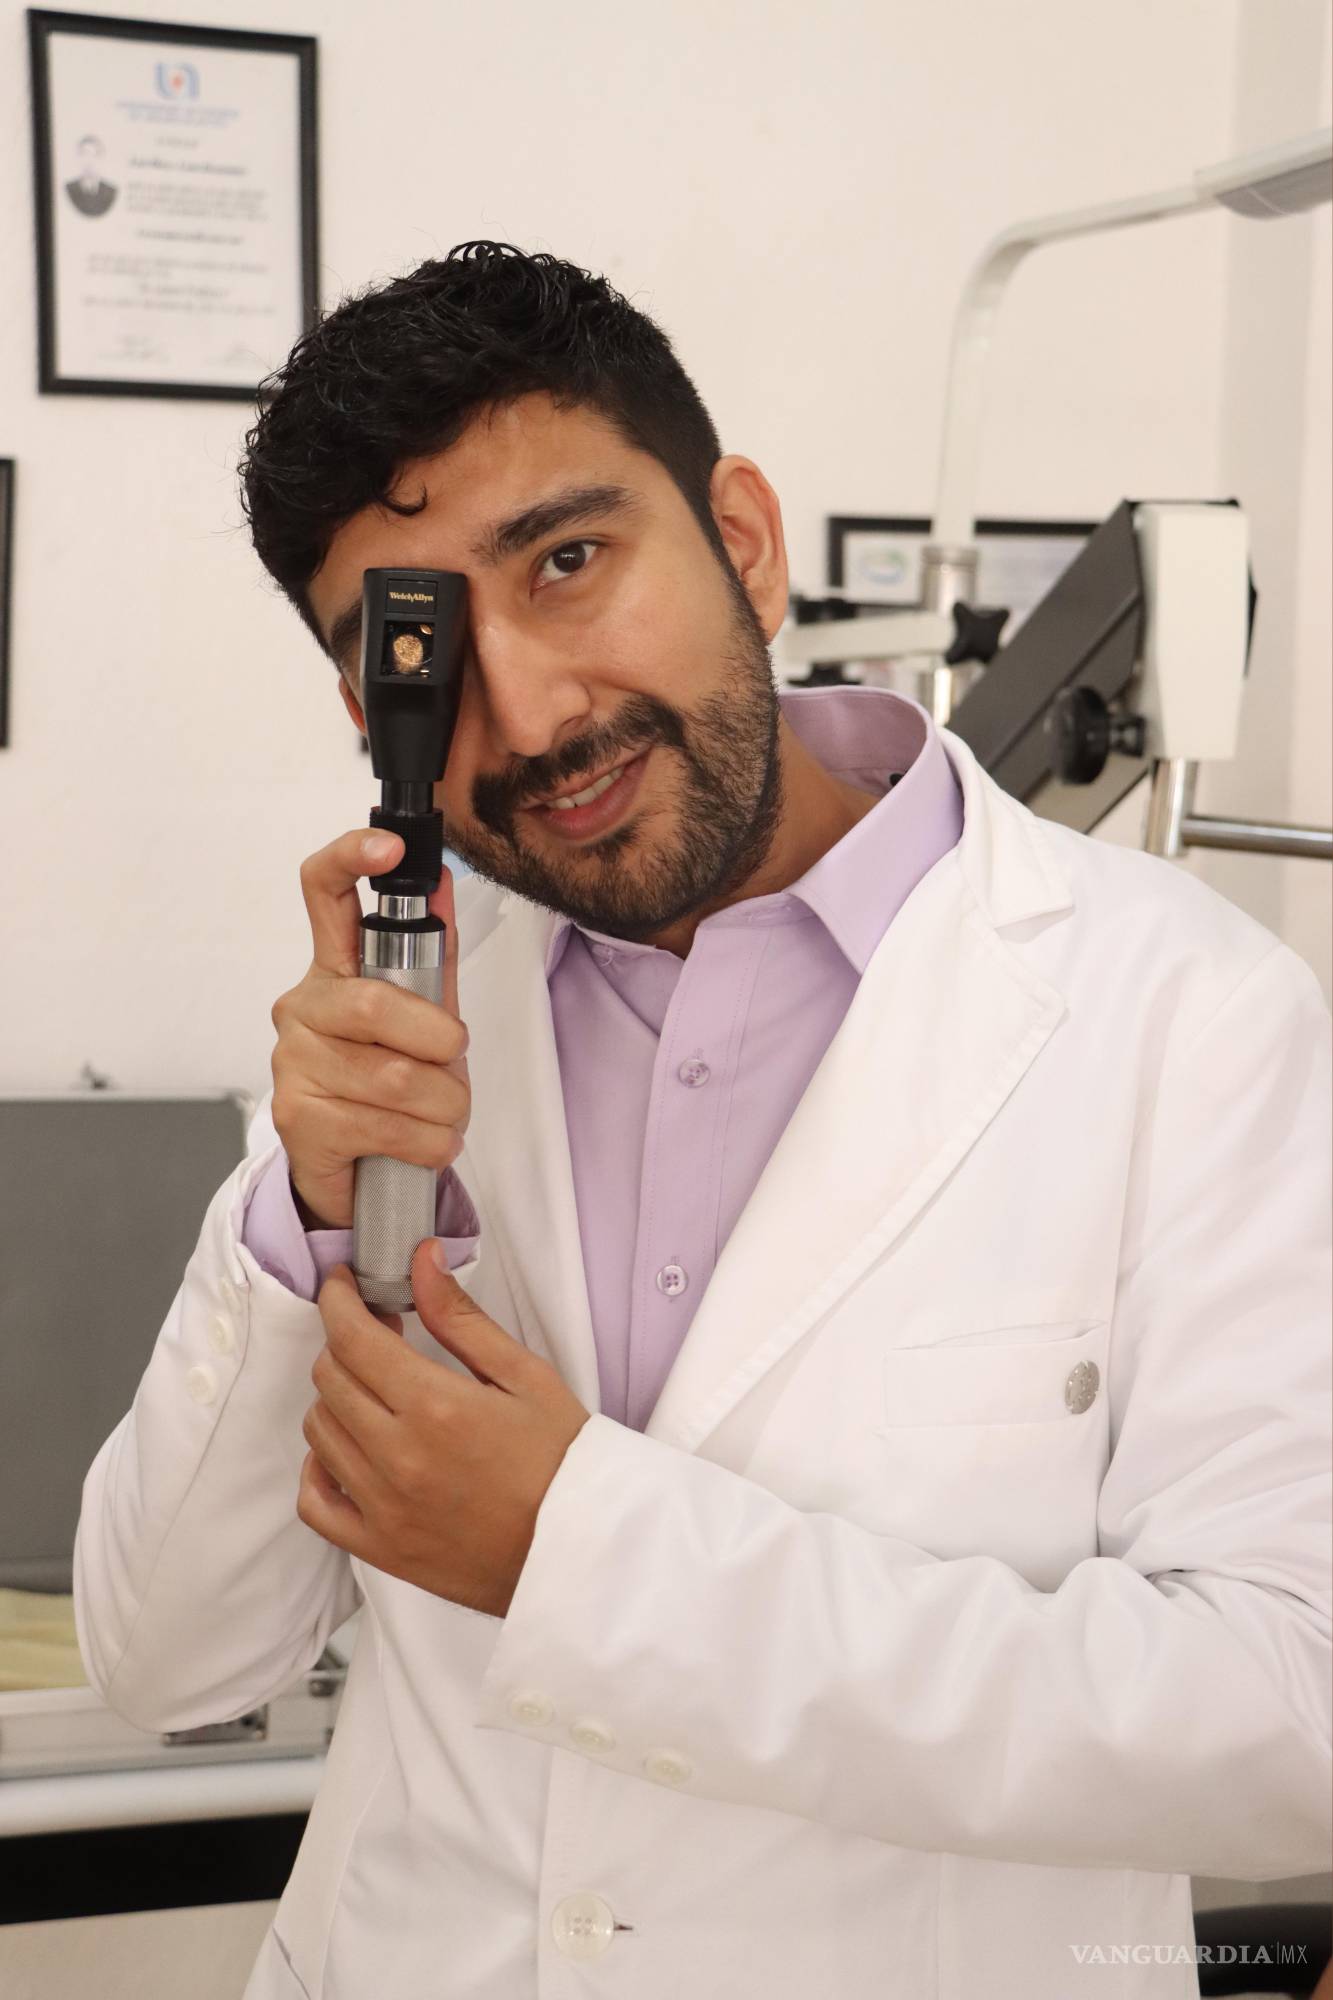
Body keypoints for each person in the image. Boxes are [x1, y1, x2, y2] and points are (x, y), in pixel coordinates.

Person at [74, 241, 1331, 2000]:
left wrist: (579, 1552)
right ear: (371, 710)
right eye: (424, 649)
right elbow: (165, 1665)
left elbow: (1287, 1717)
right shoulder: (408, 1031)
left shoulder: (1189, 1015)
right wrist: (306, 1212)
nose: (534, 712)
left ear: (741, 538)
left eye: (567, 562)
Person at [63, 135, 117, 217]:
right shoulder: (69, 188)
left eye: (94, 155)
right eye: (84, 154)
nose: (89, 161)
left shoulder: (110, 191)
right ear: (78, 158)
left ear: (101, 158)